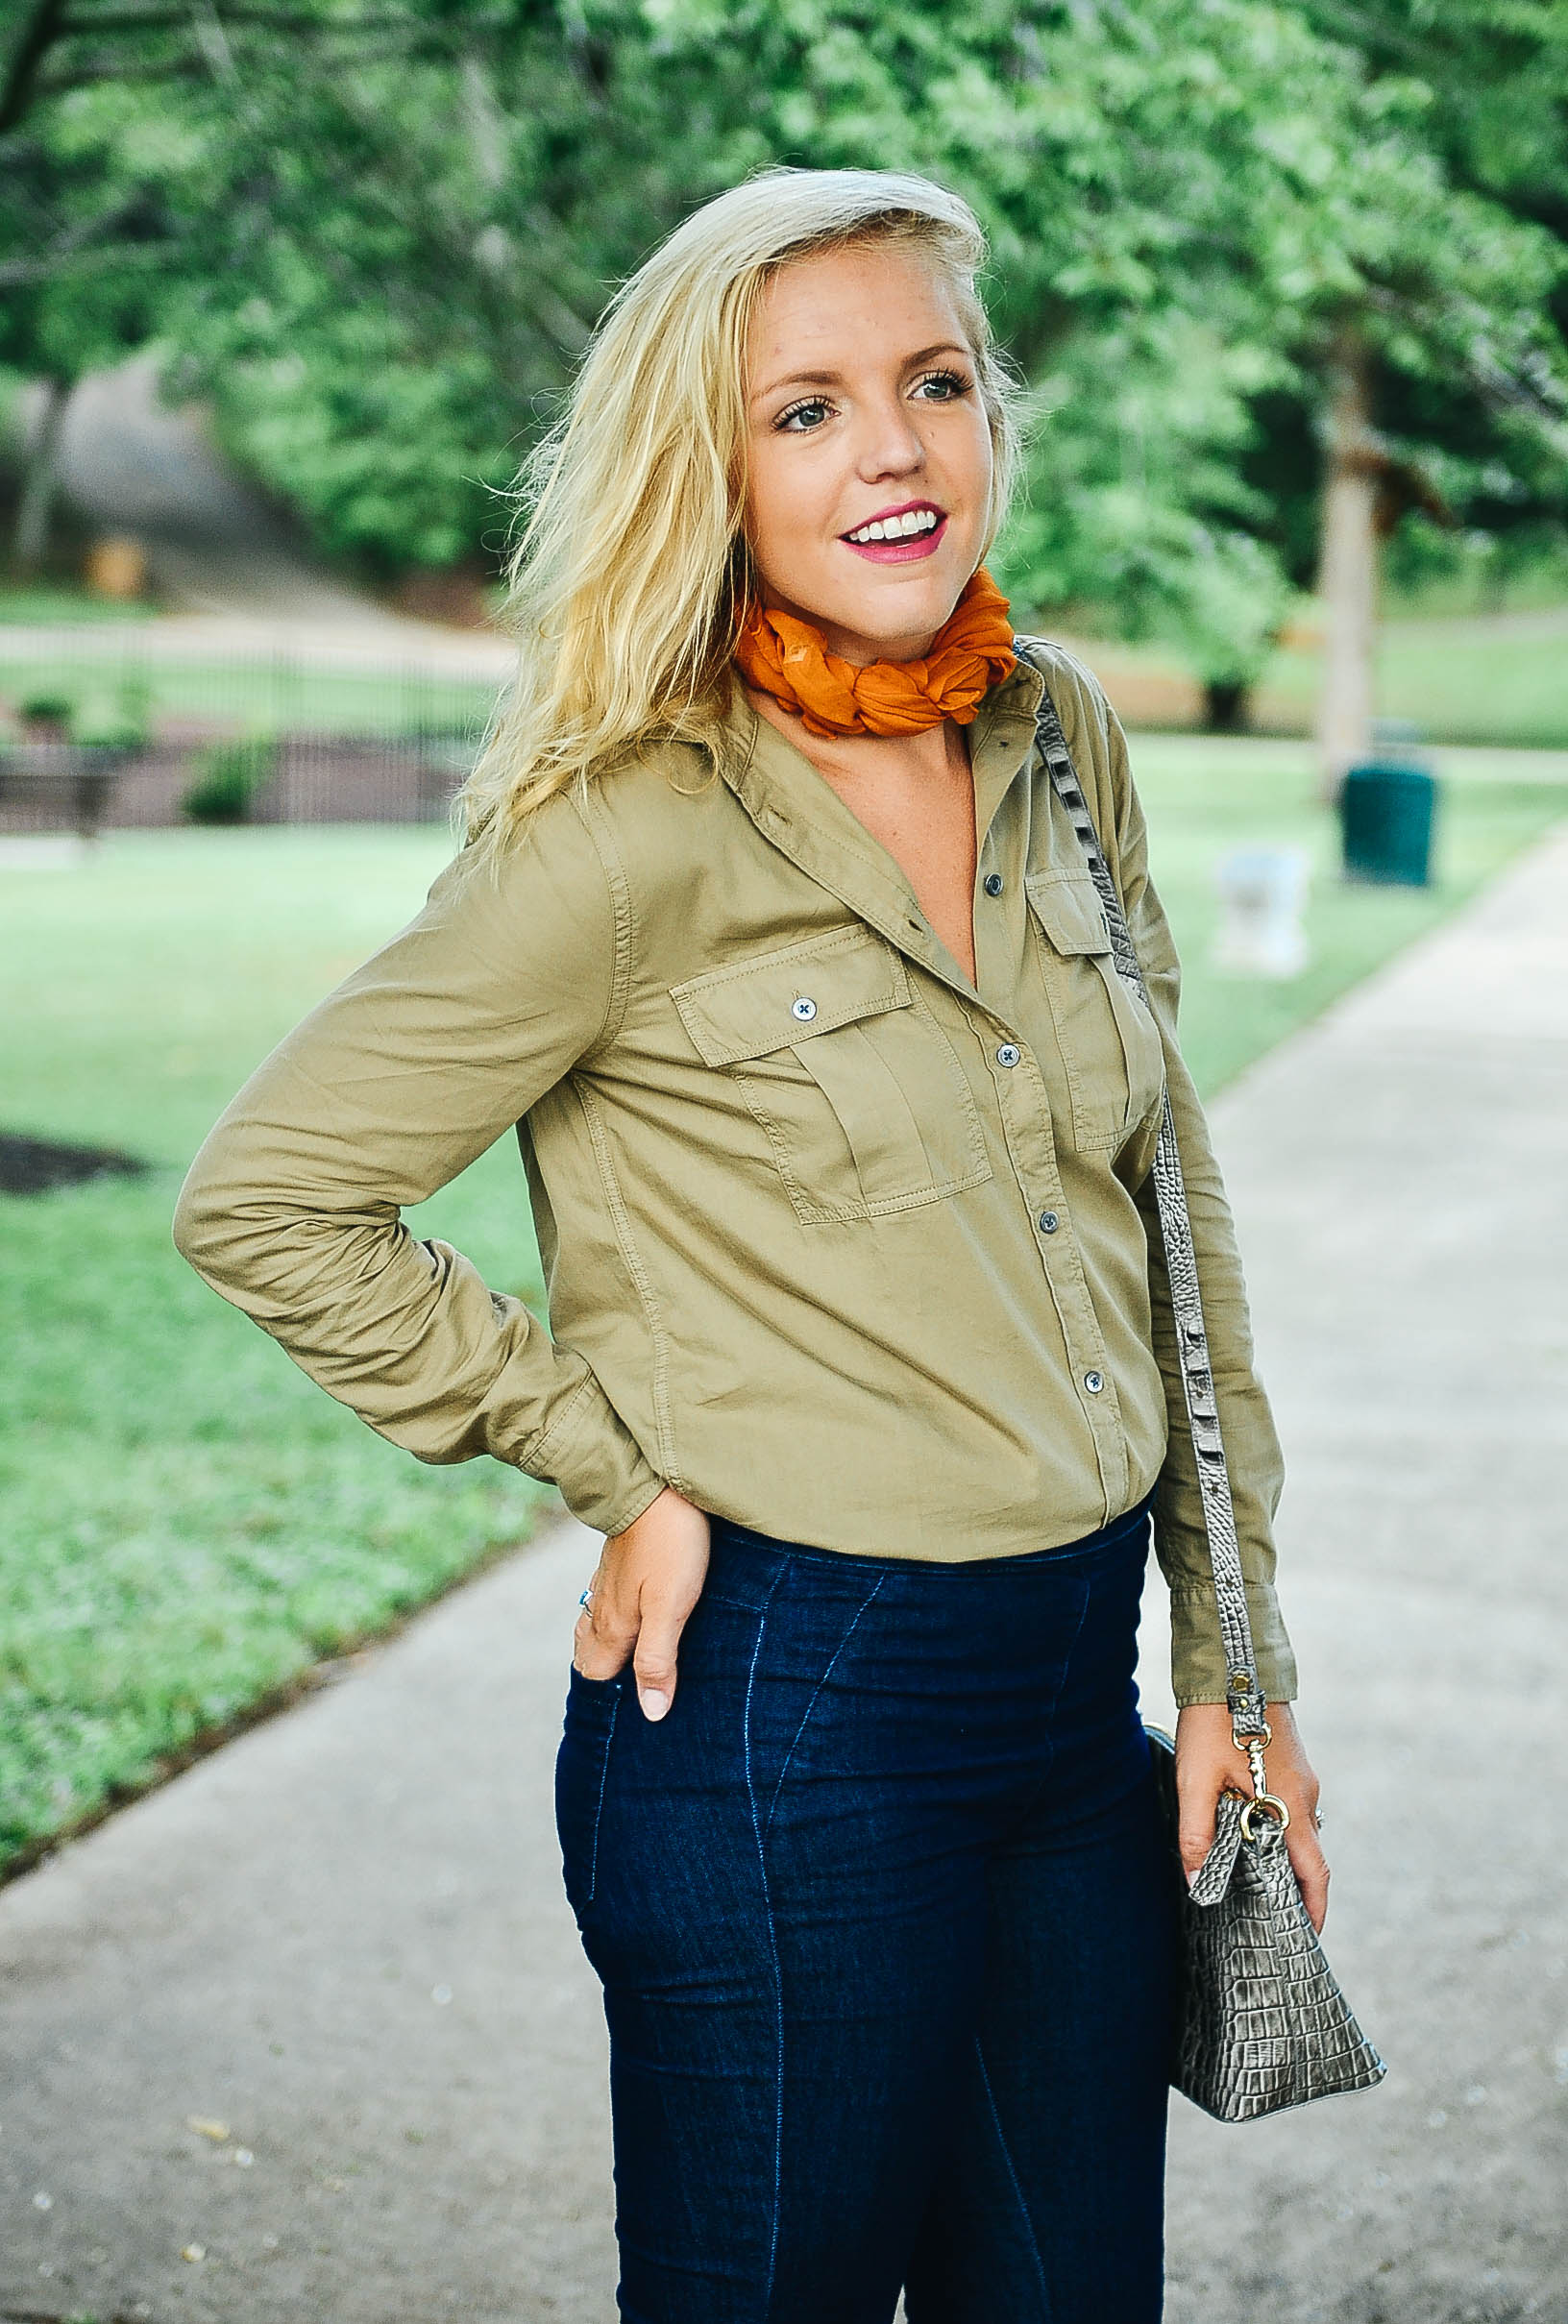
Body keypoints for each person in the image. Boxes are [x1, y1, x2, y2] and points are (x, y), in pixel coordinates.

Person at [173, 167, 1328, 2323]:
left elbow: (1174, 1223)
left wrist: (1236, 1663)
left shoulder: (1058, 738)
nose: (892, 447)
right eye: (804, 410)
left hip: (1077, 1725)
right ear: (704, 473)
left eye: (933, 382)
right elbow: (271, 1196)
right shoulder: (622, 830)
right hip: (794, 1720)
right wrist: (603, 1459)